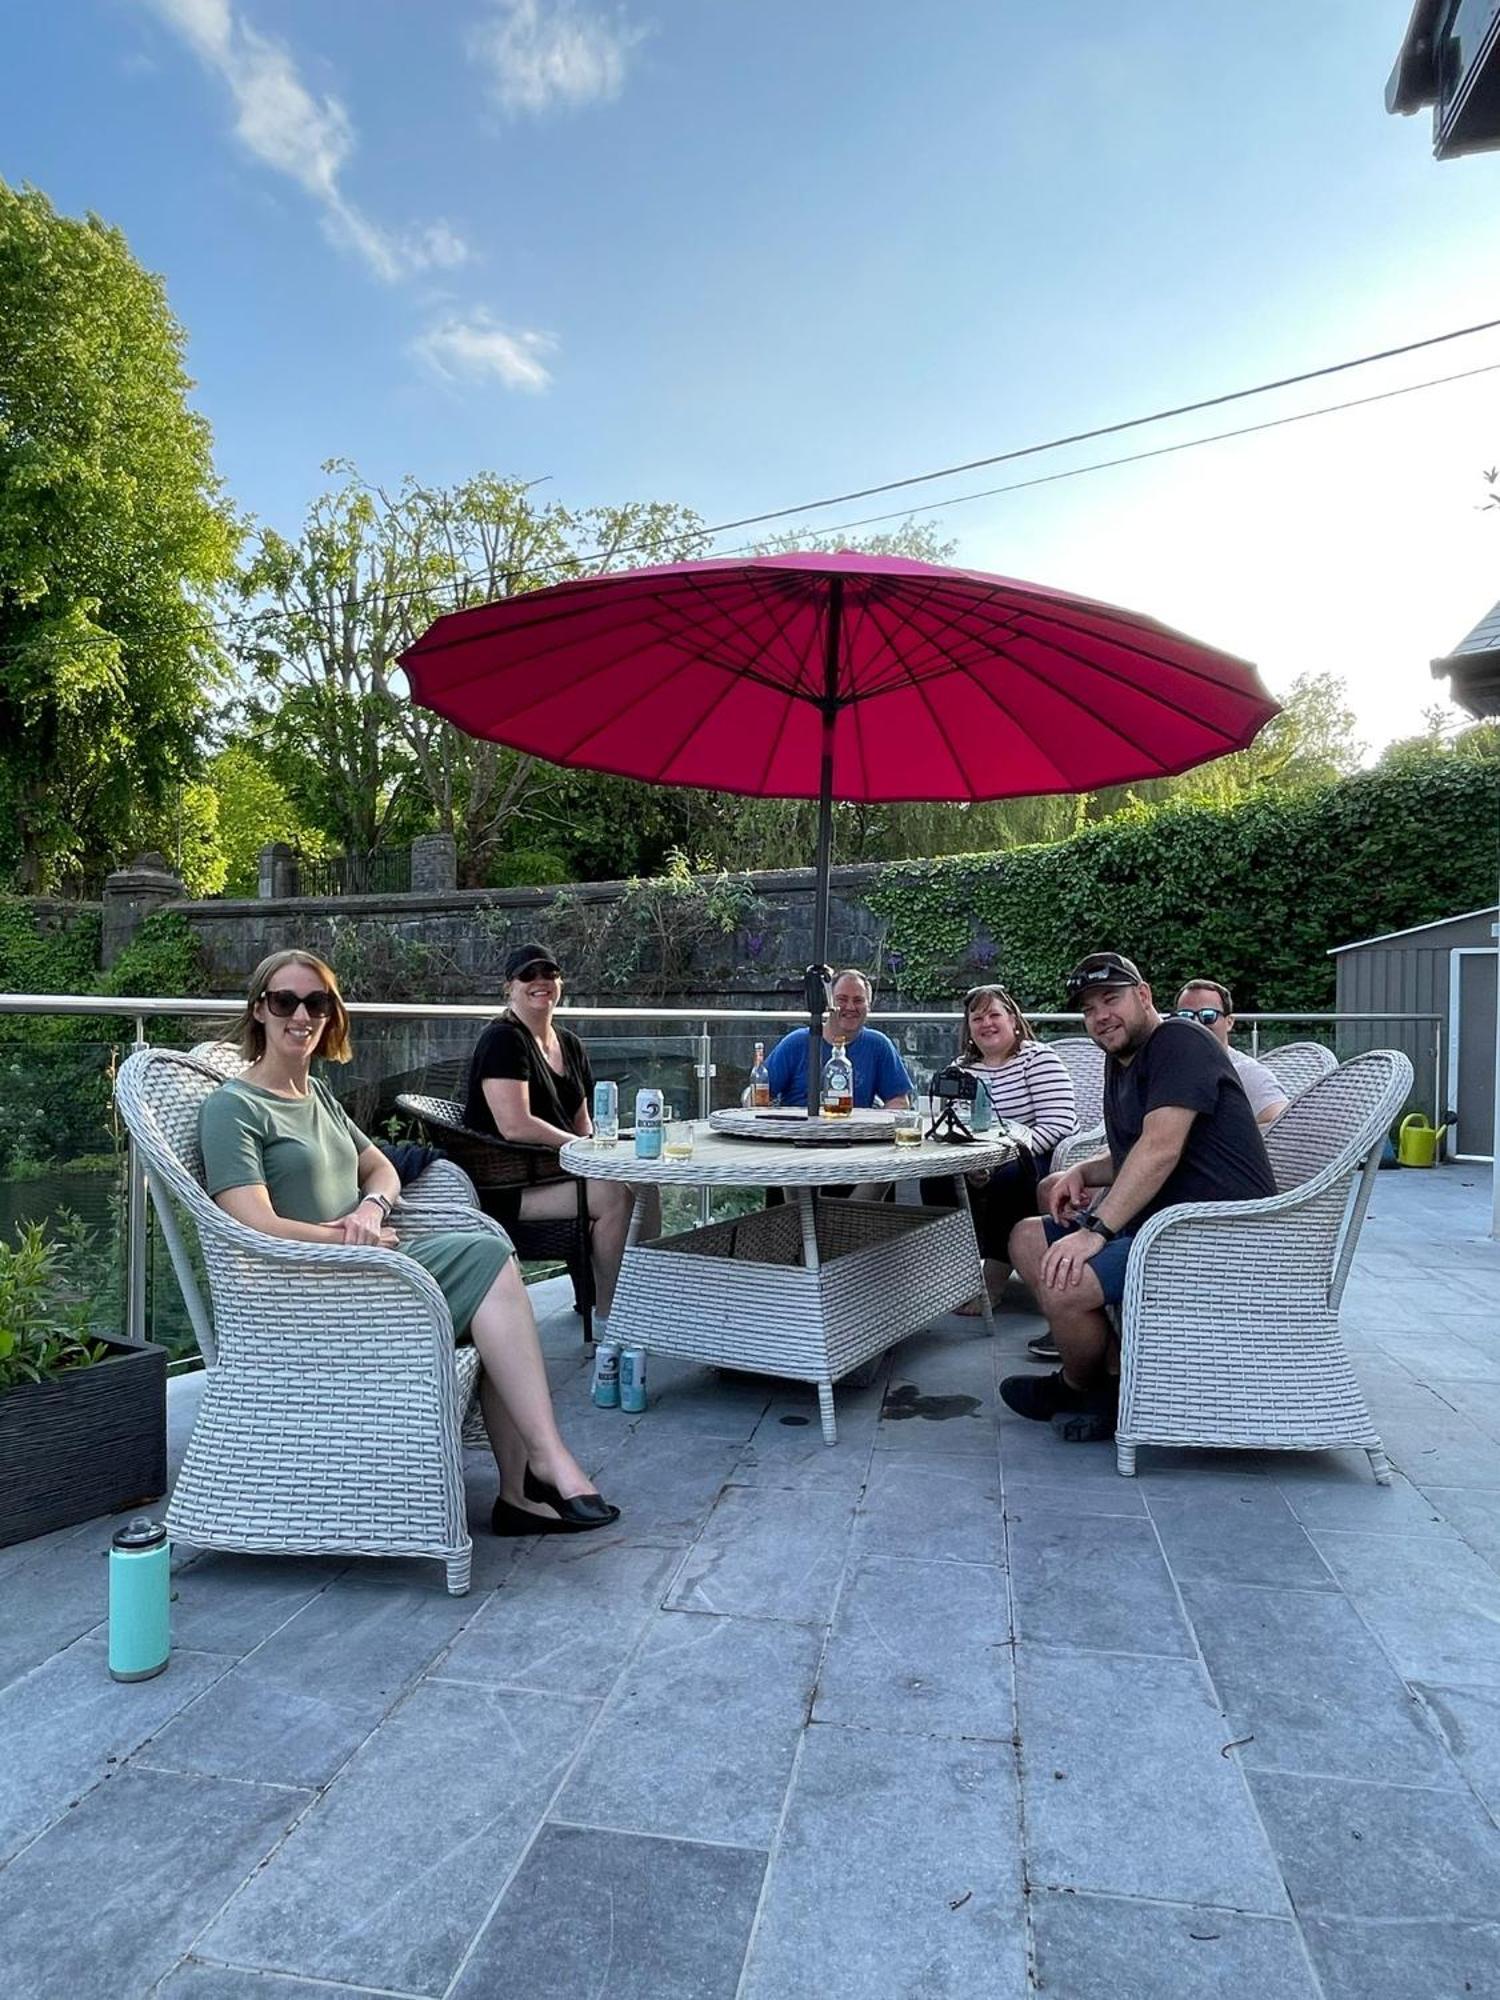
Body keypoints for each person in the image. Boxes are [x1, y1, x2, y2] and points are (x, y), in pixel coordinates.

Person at [198, 950, 618, 1537]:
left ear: (330, 1016)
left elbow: (382, 1170)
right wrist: (340, 1241)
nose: (301, 1014)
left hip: (370, 1265)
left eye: (316, 1002)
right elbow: (249, 1221)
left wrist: (372, 1208)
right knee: (490, 1264)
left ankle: (526, 1486)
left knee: (492, 1268)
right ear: (259, 1012)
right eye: (284, 1001)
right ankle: (538, 1471)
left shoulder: (315, 1096)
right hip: (310, 1289)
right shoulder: (233, 1108)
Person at [1001, 951, 1276, 1444]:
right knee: (1026, 1239)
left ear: (1144, 995)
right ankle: (1113, 1378)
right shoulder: (1124, 1057)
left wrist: (1095, 1231)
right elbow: (1133, 1147)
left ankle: (1078, 1387)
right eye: (1088, 1008)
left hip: (1214, 1235)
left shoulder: (1179, 1042)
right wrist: (1084, 1169)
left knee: (1064, 1280)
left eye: (1111, 998)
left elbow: (1161, 1147)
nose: (1100, 1015)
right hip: (1161, 1225)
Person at [463, 943, 660, 1323]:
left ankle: (638, 1298)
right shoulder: (503, 1040)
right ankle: (610, 1320)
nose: (541, 982)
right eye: (528, 975)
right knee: (614, 1198)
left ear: (560, 983)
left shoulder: (569, 1044)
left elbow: (582, 1122)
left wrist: (602, 1150)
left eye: (549, 973)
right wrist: (580, 1148)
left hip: (553, 1173)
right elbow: (515, 1125)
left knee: (646, 1186)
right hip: (507, 1185)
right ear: (510, 986)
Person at [921, 984, 1077, 1315]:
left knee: (1010, 1176)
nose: (986, 1023)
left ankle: (993, 1279)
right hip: (980, 1155)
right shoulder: (961, 1068)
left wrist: (1001, 1157)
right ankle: (957, 1274)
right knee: (935, 1179)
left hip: (1037, 1154)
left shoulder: (1037, 1058)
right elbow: (953, 1125)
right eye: (977, 1018)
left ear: (1014, 1021)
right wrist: (972, 1163)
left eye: (995, 1015)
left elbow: (1060, 1123)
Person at [763, 969, 912, 1109]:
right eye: (842, 999)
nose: (850, 1007)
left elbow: (899, 1100)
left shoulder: (878, 1045)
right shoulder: (796, 1043)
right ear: (829, 1004)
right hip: (799, 1132)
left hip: (855, 1134)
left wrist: (877, 1126)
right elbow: (758, 1093)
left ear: (869, 1006)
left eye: (858, 1000)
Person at [1173, 978, 1289, 1128]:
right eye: (1185, 1016)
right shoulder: (1172, 1069)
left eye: (1208, 1016)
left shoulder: (1245, 1072)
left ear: (1229, 1022)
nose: (1196, 1023)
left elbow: (1282, 1125)